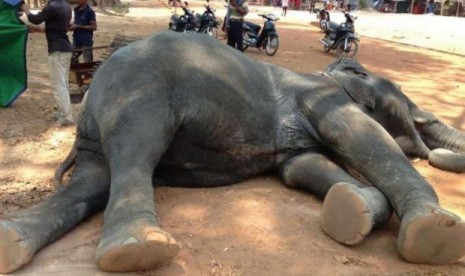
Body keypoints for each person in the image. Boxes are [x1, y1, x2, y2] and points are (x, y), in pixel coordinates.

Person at [21, 0, 74, 126]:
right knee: (63, 84)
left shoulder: (52, 6)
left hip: (57, 50)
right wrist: (39, 30)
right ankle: (62, 113)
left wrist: (26, 9)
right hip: (65, 48)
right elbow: (57, 27)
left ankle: (66, 117)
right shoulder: (66, 5)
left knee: (59, 86)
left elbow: (35, 19)